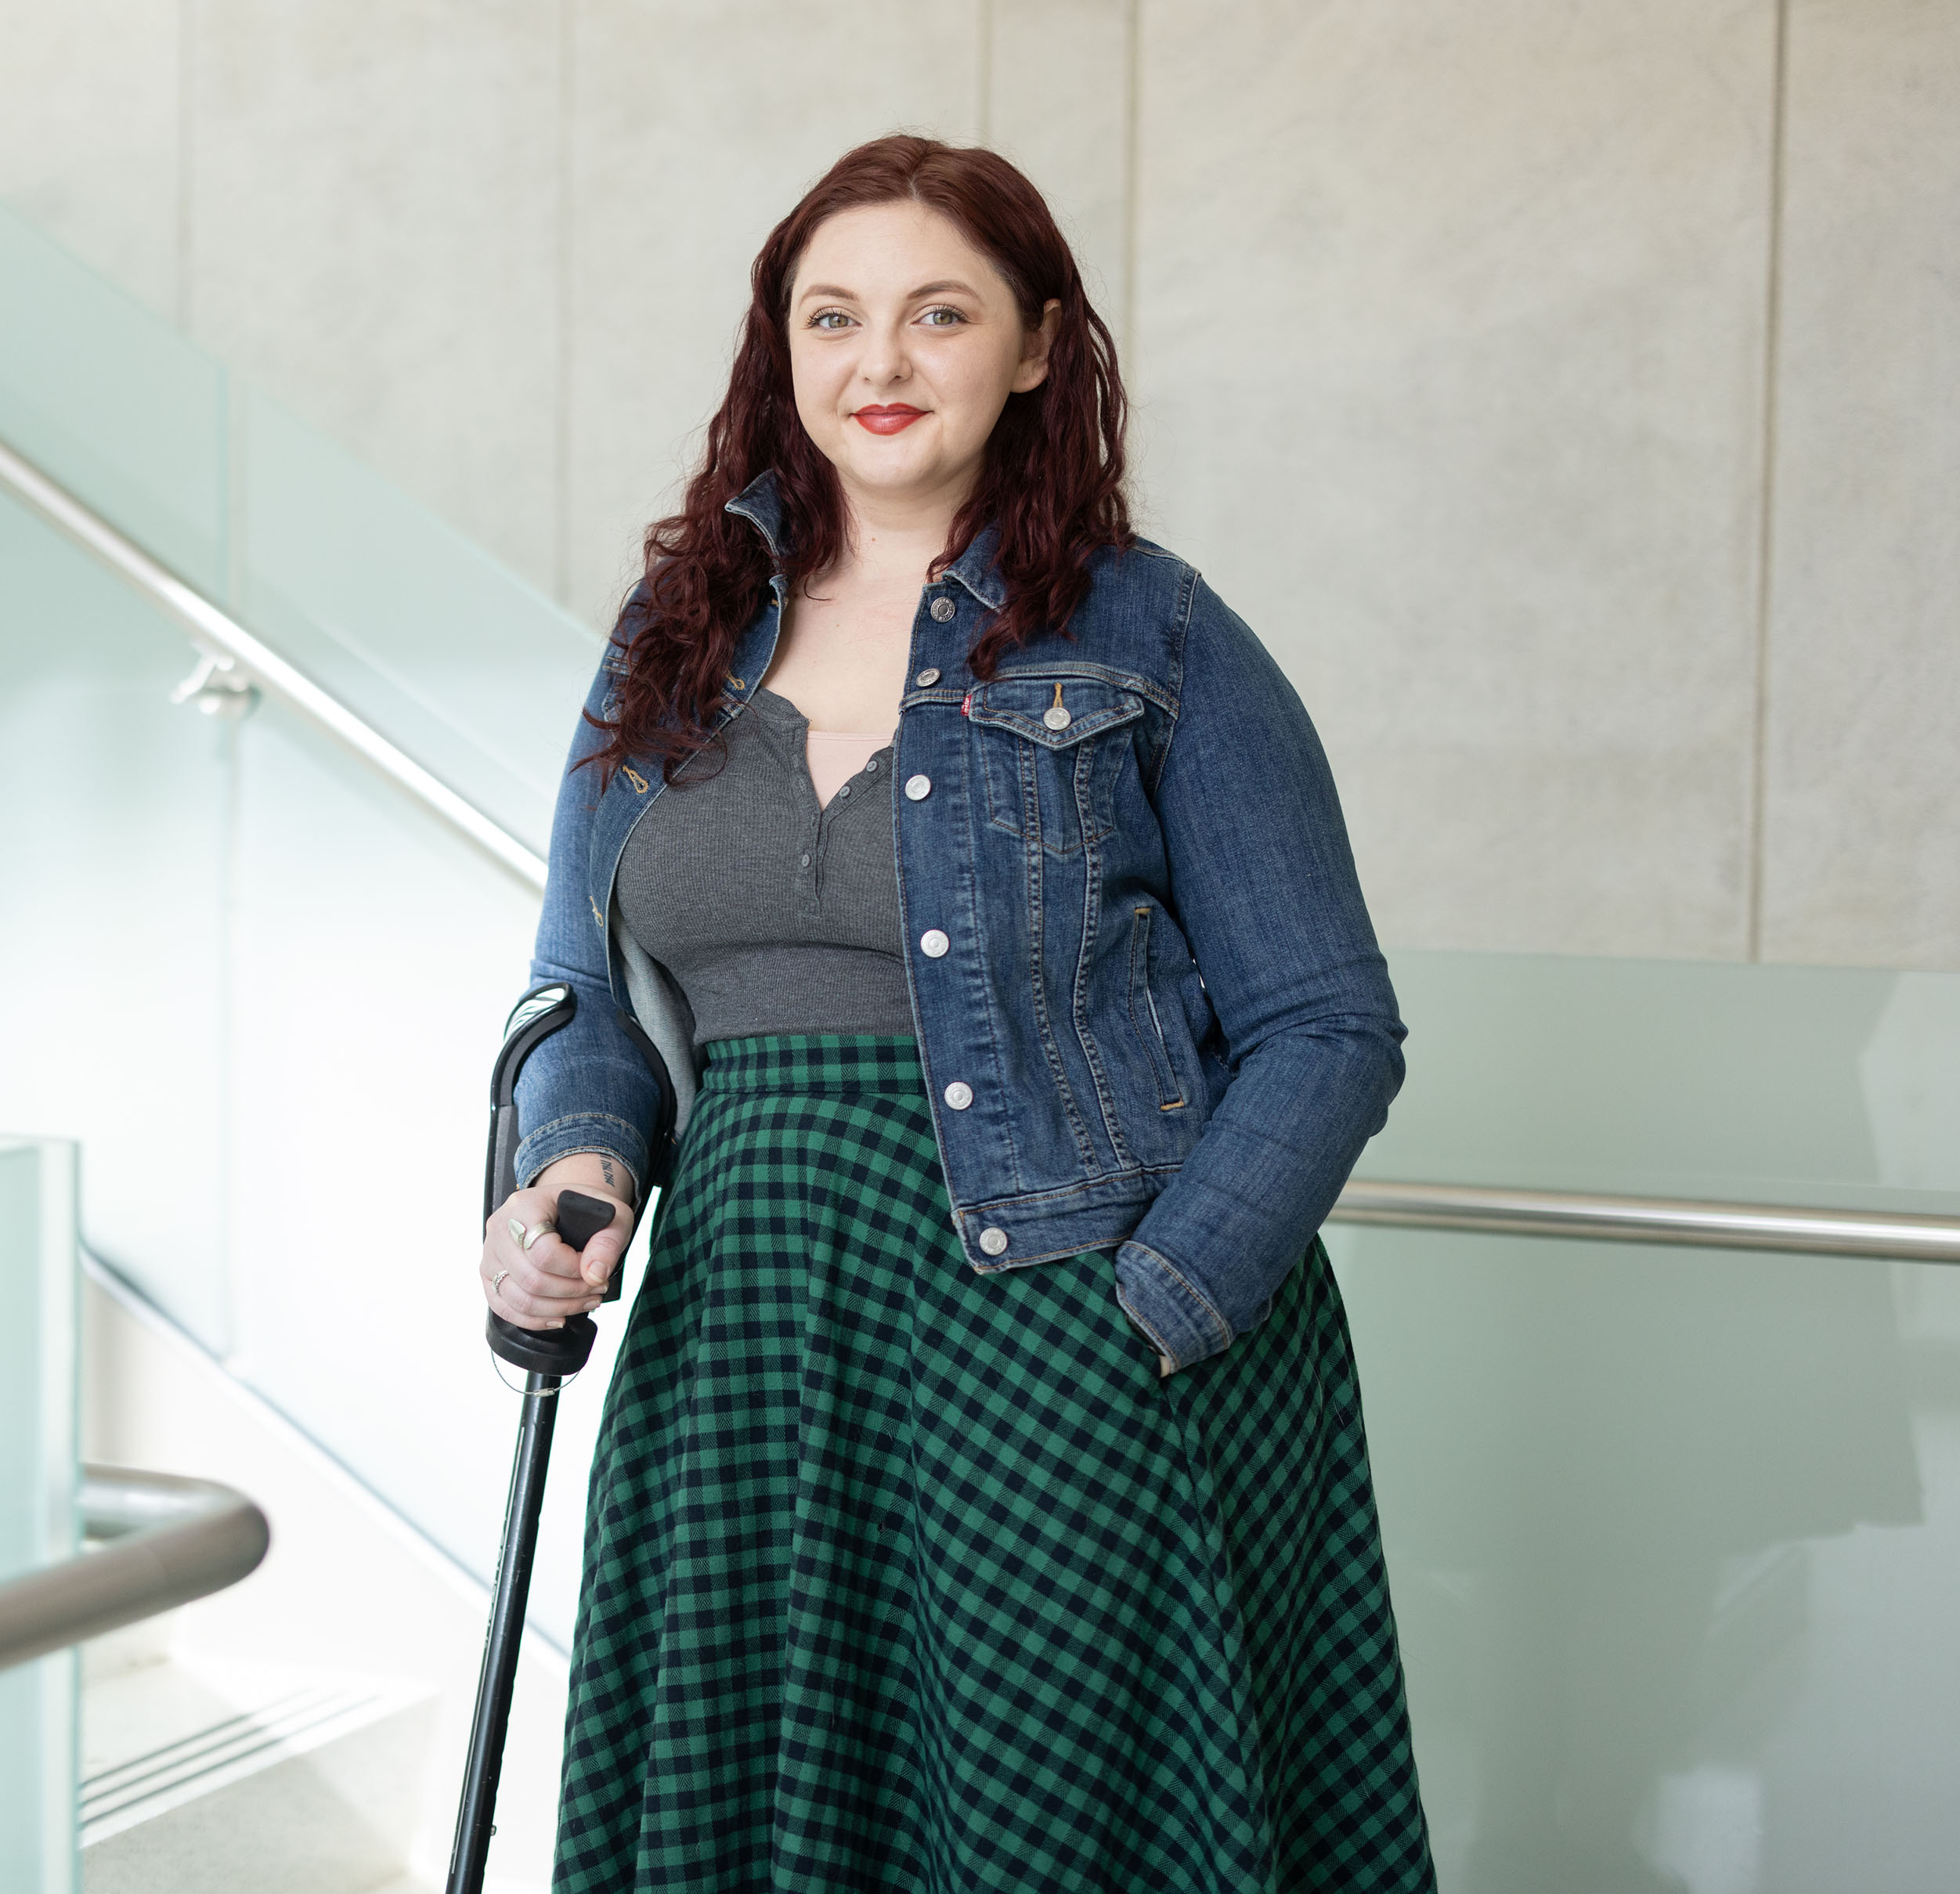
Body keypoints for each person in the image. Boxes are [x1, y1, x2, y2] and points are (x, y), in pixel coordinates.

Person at [479, 134, 1436, 1894]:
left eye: (940, 313)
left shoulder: (1155, 633)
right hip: (746, 1343)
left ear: (1037, 346)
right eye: (833, 316)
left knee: (1044, 1833)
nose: (883, 362)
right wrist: (578, 1171)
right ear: (782, 347)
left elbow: (1328, 1024)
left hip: (1066, 1338)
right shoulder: (673, 635)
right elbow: (585, 990)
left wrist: (1153, 1310)